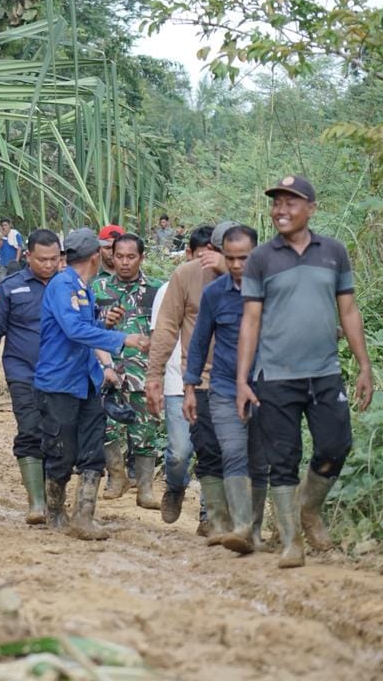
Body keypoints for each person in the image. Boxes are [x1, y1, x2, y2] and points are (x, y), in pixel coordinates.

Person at [236, 175, 374, 569]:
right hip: (275, 376)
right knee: (282, 459)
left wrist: (364, 366)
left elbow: (348, 310)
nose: (281, 209)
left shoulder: (334, 252)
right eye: (276, 202)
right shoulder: (261, 258)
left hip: (325, 371)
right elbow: (250, 321)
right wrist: (242, 380)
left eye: (290, 202)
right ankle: (292, 543)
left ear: (311, 208)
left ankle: (309, 508)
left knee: (336, 445)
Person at [34, 228, 151, 540]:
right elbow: (73, 330)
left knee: (92, 448)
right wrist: (124, 337)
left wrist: (103, 324)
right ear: (97, 257)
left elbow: (84, 328)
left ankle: (84, 516)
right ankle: (55, 512)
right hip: (59, 381)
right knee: (61, 450)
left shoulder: (82, 288)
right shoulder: (64, 285)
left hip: (86, 380)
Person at [184, 224, 270, 555]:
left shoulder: (272, 291)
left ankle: (256, 530)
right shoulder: (215, 294)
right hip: (222, 386)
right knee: (233, 452)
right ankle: (242, 527)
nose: (236, 265)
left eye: (243, 258)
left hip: (266, 386)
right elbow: (200, 341)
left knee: (260, 461)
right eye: (230, 258)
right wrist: (191, 386)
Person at [146, 223, 231, 539]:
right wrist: (153, 375)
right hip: (182, 380)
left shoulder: (251, 277)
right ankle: (176, 485)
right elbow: (166, 327)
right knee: (180, 451)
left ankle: (211, 516)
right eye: (220, 251)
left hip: (228, 382)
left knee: (216, 449)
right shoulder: (185, 275)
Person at [0, 229, 65, 525]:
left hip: (63, 376)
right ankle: (37, 503)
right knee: (30, 430)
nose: (49, 264)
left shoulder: (70, 286)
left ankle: (56, 499)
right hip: (23, 372)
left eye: (54, 259)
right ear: (28, 256)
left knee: (59, 435)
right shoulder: (9, 287)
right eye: (42, 259)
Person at [91, 232, 163, 509]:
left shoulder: (157, 290)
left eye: (130, 257)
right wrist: (105, 323)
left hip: (143, 372)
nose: (124, 262)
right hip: (107, 370)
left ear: (141, 258)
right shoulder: (98, 289)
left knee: (145, 429)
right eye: (119, 256)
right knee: (104, 426)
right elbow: (86, 331)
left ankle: (145, 488)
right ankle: (116, 477)